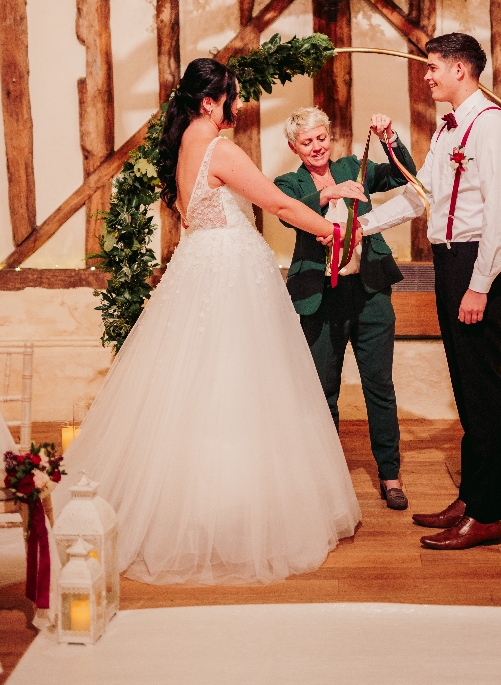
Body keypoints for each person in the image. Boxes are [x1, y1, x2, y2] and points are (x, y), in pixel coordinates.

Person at [54, 58, 360, 585]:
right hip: (227, 275)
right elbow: (280, 204)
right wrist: (332, 233)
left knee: (196, 387)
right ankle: (235, 514)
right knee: (238, 384)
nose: (238, 106)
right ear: (209, 101)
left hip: (198, 267)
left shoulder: (183, 149)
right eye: (233, 97)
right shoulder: (218, 147)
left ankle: (194, 508)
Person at [358, 33, 501, 549]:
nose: (426, 75)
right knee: (466, 391)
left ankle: (488, 516)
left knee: (483, 394)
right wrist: (362, 226)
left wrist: (479, 286)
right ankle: (471, 499)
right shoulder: (448, 129)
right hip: (449, 262)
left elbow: (500, 214)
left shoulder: (491, 125)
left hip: (476, 263)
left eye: (433, 67)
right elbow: (418, 195)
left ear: (461, 70)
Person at [274, 107, 417, 511]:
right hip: (320, 299)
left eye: (321, 138)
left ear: (330, 138)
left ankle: (390, 475)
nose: (317, 147)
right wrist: (328, 193)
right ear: (294, 147)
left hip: (369, 291)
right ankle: (330, 479)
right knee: (323, 391)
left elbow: (404, 173)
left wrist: (390, 138)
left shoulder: (356, 166)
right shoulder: (288, 182)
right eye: (307, 142)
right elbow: (289, 211)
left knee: (379, 387)